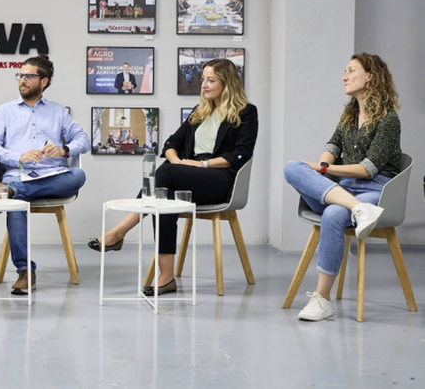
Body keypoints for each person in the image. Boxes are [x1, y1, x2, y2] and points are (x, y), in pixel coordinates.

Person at [87, 59, 258, 296]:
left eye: (211, 80)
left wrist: (199, 164)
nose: (203, 85)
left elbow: (241, 154)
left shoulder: (246, 112)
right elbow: (171, 143)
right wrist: (178, 162)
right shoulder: (200, 112)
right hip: (187, 174)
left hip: (221, 180)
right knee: (163, 195)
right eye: (203, 79)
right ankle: (166, 277)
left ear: (227, 83)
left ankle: (119, 232)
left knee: (166, 172)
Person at [284, 53, 400, 322]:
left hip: (375, 188)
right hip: (346, 191)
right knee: (292, 167)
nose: (344, 76)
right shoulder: (350, 115)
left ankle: (322, 299)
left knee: (334, 214)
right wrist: (322, 165)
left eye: (350, 71)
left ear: (370, 76)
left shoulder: (389, 120)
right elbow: (331, 148)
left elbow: (368, 169)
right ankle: (359, 210)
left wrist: (323, 170)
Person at [0, 54, 90, 295]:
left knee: (78, 175)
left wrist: (64, 149)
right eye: (20, 75)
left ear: (44, 81)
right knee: (17, 203)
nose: (22, 80)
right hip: (16, 174)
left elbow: (85, 140)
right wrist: (18, 156)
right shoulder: (5, 111)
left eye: (29, 76)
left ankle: (10, 194)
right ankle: (25, 272)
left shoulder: (59, 112)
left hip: (52, 176)